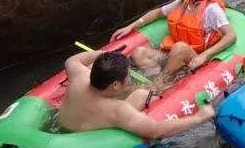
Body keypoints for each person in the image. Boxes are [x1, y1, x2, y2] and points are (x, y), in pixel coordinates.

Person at [111, 0, 235, 80]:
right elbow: (158, 12)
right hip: (171, 54)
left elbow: (231, 35)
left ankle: (159, 84)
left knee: (180, 48)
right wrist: (131, 26)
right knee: (139, 53)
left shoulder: (212, 9)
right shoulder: (184, 0)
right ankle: (159, 78)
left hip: (193, 58)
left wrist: (205, 55)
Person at [58, 50, 218, 137]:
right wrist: (199, 117)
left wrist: (104, 56)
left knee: (139, 92)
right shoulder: (117, 110)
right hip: (90, 142)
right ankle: (161, 86)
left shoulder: (78, 76)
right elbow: (156, 130)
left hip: (64, 129)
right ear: (115, 85)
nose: (129, 78)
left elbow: (70, 60)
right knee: (143, 94)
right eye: (127, 76)